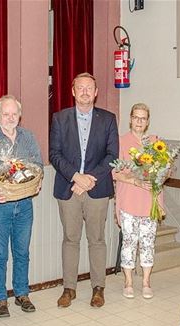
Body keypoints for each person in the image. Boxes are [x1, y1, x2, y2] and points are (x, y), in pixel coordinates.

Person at [49, 72, 119, 308]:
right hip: (69, 188)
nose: (85, 91)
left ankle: (98, 288)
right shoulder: (60, 118)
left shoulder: (108, 119)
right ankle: (69, 288)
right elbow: (54, 154)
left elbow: (112, 155)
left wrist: (89, 179)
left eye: (90, 88)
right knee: (70, 239)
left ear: (96, 92)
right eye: (81, 87)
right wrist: (76, 177)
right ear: (73, 91)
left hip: (96, 189)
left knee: (97, 239)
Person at [0, 95, 43, 318]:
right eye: (6, 114)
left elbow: (38, 165)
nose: (10, 118)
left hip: (24, 204)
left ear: (19, 115)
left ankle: (22, 293)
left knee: (22, 252)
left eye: (14, 114)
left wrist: (36, 180)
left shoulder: (28, 137)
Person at [112, 103, 161, 299]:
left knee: (148, 242)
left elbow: (166, 168)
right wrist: (134, 180)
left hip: (150, 201)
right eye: (136, 117)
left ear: (148, 121)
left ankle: (147, 282)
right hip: (129, 200)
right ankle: (129, 282)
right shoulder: (121, 141)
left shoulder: (155, 142)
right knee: (130, 242)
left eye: (143, 118)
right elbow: (114, 172)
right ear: (130, 119)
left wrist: (159, 176)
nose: (139, 121)